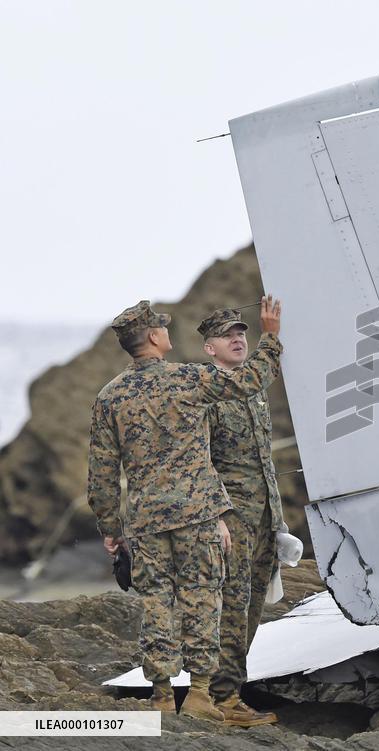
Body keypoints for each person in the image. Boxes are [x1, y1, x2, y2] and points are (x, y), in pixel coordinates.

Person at [87, 296, 283, 721]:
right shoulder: (189, 380)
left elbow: (102, 471)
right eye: (163, 329)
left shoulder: (110, 396)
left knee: (156, 603)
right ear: (155, 337)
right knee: (202, 600)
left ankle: (160, 695)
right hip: (197, 514)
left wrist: (110, 527)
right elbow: (251, 380)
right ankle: (199, 695)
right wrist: (269, 337)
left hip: (144, 519)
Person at [198, 308, 285, 727]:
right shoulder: (206, 391)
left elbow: (265, 460)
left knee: (252, 607)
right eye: (226, 335)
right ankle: (223, 698)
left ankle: (231, 690)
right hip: (232, 518)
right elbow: (198, 461)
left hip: (264, 514)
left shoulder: (252, 389)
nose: (237, 339)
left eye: (241, 333)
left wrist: (279, 520)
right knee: (231, 607)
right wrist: (216, 513)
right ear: (208, 347)